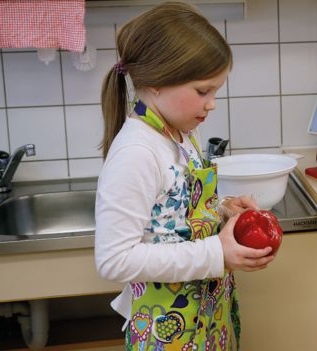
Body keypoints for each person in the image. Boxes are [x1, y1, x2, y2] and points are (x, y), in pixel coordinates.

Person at [94, 2, 275, 350]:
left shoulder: (178, 133)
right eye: (203, 91)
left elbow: (173, 213)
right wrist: (215, 253)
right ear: (158, 82)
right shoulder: (137, 152)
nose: (212, 104)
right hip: (168, 331)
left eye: (216, 91)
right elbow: (113, 260)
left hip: (204, 318)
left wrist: (222, 209)